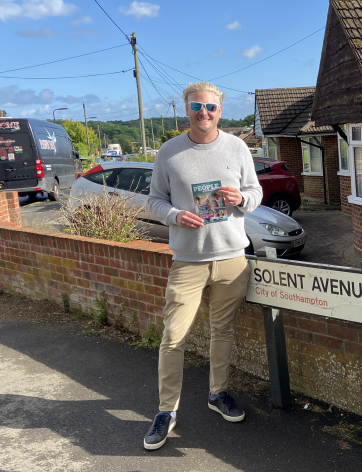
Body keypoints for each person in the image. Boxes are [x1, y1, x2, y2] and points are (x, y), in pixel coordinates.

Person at [144, 81, 263, 451]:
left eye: (210, 107)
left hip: (231, 259)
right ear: (187, 109)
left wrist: (241, 197)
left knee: (221, 331)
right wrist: (177, 215)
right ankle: (166, 411)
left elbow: (256, 193)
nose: (203, 113)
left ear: (220, 111)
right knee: (173, 337)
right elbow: (153, 202)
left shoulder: (238, 147)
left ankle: (218, 393)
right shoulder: (169, 151)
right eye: (196, 106)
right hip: (189, 261)